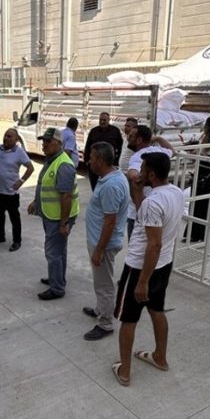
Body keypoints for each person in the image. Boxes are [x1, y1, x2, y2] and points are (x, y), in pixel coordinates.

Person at [112, 153, 184, 386]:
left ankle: (124, 371)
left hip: (140, 269)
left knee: (128, 321)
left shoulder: (154, 202)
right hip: (163, 265)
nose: (139, 172)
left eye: (143, 169)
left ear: (152, 174)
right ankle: (160, 358)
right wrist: (137, 190)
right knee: (156, 310)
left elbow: (154, 244)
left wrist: (142, 281)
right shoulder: (174, 193)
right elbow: (145, 212)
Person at [81, 142, 130, 340]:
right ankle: (100, 309)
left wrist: (99, 250)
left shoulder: (111, 185)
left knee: (104, 284)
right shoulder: (110, 177)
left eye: (91, 157)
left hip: (104, 244)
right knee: (100, 281)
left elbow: (110, 223)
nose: (88, 161)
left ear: (100, 160)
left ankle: (106, 323)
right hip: (100, 241)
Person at [27, 127, 79, 300]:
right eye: (43, 141)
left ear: (59, 143)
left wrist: (64, 222)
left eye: (48, 142)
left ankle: (57, 288)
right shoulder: (52, 160)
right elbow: (46, 185)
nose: (44, 145)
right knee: (59, 250)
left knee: (53, 252)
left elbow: (66, 196)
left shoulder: (63, 164)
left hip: (58, 218)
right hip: (51, 214)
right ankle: (57, 278)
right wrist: (36, 202)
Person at [125, 125, 174, 241]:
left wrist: (133, 176)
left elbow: (133, 175)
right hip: (160, 205)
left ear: (139, 140)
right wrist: (158, 139)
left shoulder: (138, 157)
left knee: (138, 248)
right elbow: (172, 151)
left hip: (139, 211)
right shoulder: (159, 151)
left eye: (131, 136)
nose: (128, 137)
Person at [0, 128, 34, 251]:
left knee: (14, 218)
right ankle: (0, 236)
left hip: (11, 193)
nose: (6, 138)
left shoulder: (19, 152)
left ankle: (17, 241)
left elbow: (30, 168)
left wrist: (22, 181)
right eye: (5, 135)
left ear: (16, 139)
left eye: (9, 136)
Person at [83, 112, 123, 190]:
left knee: (109, 186)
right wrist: (87, 161)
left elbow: (120, 147)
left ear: (109, 120)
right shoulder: (93, 131)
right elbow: (87, 146)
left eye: (104, 120)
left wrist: (117, 161)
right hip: (95, 164)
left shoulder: (115, 131)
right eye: (100, 120)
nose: (102, 122)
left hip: (110, 165)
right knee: (95, 186)